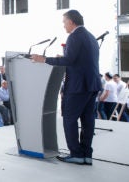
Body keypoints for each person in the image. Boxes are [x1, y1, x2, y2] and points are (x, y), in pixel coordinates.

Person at [31, 10, 102, 165]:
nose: (63, 26)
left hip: (78, 86)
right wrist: (63, 59)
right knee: (87, 120)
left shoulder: (74, 36)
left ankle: (76, 154)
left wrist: (43, 59)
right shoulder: (90, 36)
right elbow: (80, 60)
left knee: (69, 119)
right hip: (92, 84)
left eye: (64, 22)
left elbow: (69, 60)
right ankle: (86, 154)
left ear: (71, 22)